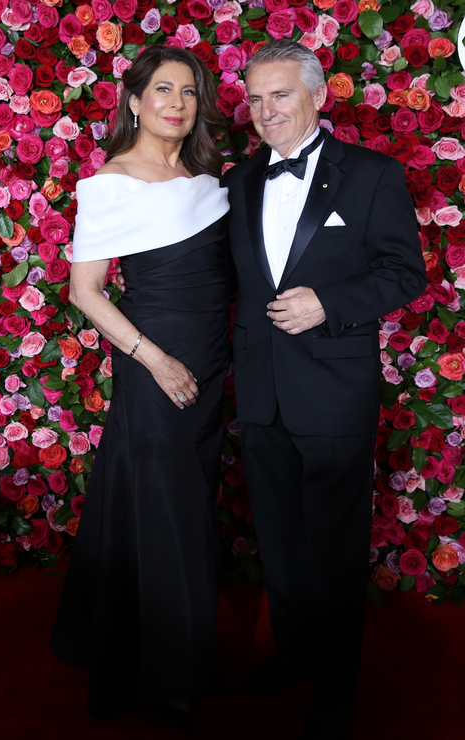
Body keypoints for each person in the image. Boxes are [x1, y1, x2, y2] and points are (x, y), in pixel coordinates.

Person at [221, 39, 427, 740]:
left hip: (335, 390)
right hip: (260, 391)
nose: (265, 111)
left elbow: (406, 273)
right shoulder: (241, 181)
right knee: (278, 538)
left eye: (279, 95)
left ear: (318, 96)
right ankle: (295, 655)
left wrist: (329, 304)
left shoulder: (371, 176)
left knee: (334, 546)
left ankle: (337, 688)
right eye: (254, 98)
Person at [50, 46, 231, 733]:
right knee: (170, 510)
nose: (177, 103)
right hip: (156, 365)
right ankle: (169, 673)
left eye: (189, 91)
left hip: (211, 368)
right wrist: (153, 359)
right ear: (133, 100)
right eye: (163, 89)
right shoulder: (110, 183)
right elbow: (84, 292)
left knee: (173, 499)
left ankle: (105, 633)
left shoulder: (209, 180)